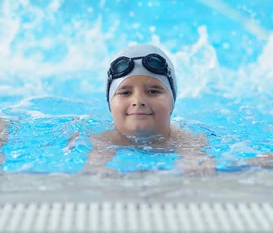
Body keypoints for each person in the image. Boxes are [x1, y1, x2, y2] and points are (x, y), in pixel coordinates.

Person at [85, 44, 212, 174]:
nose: (138, 101)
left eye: (153, 91)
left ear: (172, 102)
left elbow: (201, 176)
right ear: (110, 103)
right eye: (125, 93)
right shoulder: (99, 143)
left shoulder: (188, 143)